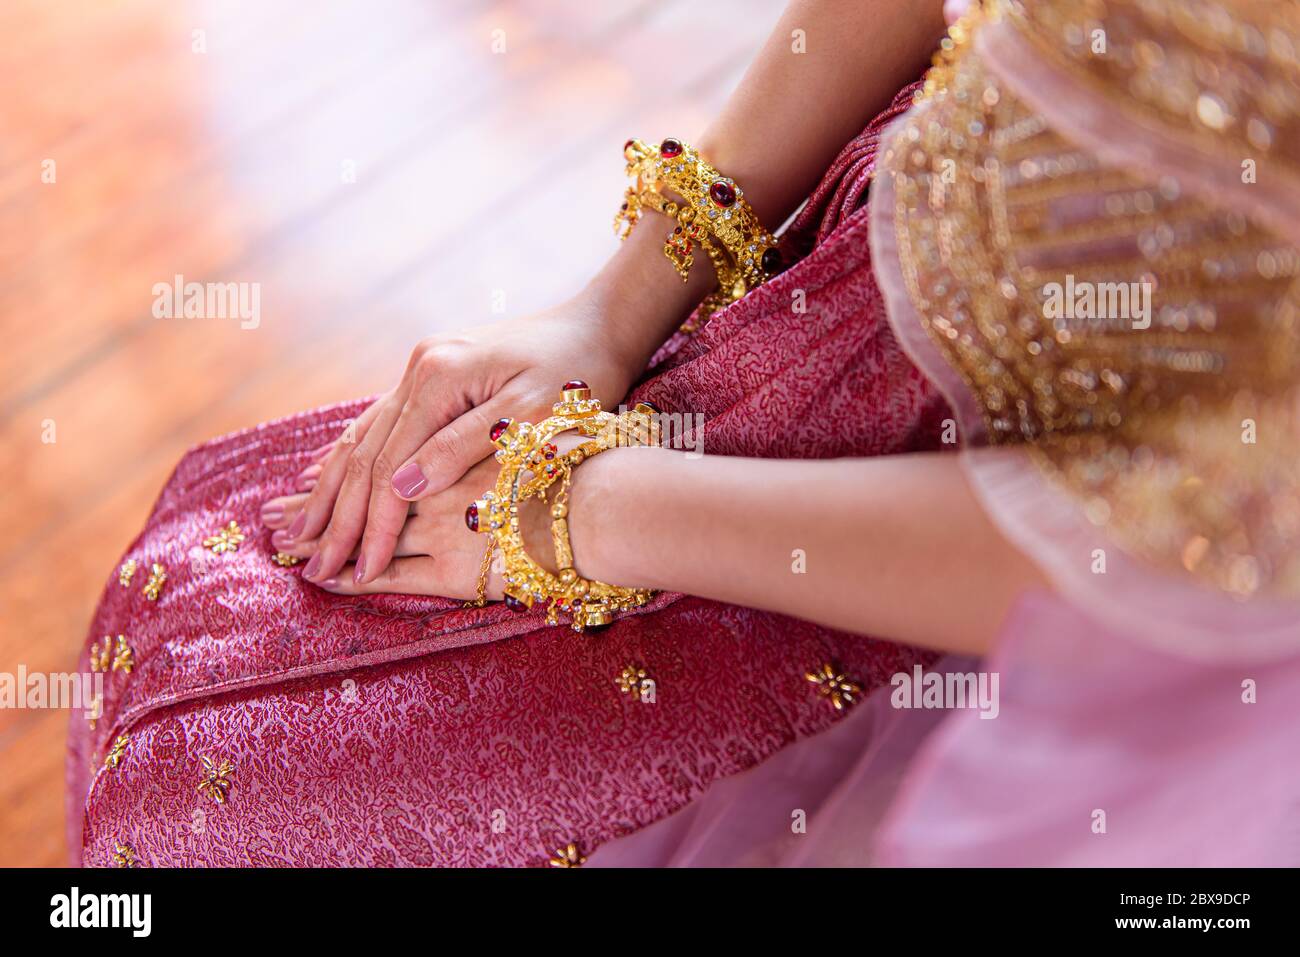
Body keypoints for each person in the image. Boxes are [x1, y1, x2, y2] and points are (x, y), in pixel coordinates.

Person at [71, 0, 1300, 867]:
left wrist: (583, 511)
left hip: (984, 573)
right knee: (187, 594)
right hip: (821, 311)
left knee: (208, 800)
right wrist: (611, 306)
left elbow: (1201, 550)